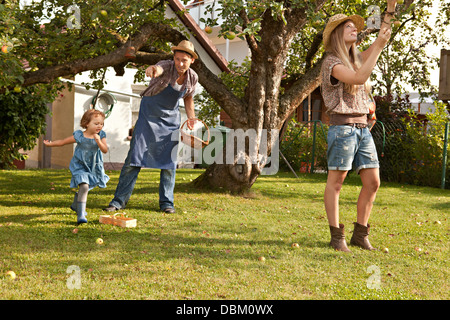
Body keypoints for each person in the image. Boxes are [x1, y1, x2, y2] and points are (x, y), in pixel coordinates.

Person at [320, 0, 397, 252]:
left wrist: (391, 8)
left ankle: (360, 234)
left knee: (373, 182)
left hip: (363, 129)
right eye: (349, 27)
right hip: (342, 128)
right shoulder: (332, 62)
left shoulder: (356, 58)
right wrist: (380, 47)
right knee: (337, 182)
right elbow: (359, 77)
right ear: (337, 35)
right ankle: (336, 236)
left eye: (355, 26)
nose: (355, 29)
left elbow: (380, 38)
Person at [104, 40, 198, 214]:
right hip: (148, 116)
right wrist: (152, 70)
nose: (180, 63)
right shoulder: (166, 66)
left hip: (171, 121)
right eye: (177, 59)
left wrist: (191, 118)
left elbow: (188, 98)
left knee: (169, 163)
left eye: (184, 60)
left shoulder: (193, 77)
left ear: (192, 60)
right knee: (134, 158)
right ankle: (118, 201)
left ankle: (167, 203)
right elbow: (158, 68)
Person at [44, 109, 109, 224]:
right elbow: (63, 142)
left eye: (101, 123)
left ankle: (76, 204)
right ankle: (81, 215)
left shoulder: (101, 135)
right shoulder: (80, 136)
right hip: (80, 166)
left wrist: (98, 141)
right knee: (84, 186)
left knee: (87, 187)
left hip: (94, 166)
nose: (99, 126)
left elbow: (104, 150)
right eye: (96, 123)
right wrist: (50, 144)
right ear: (87, 123)